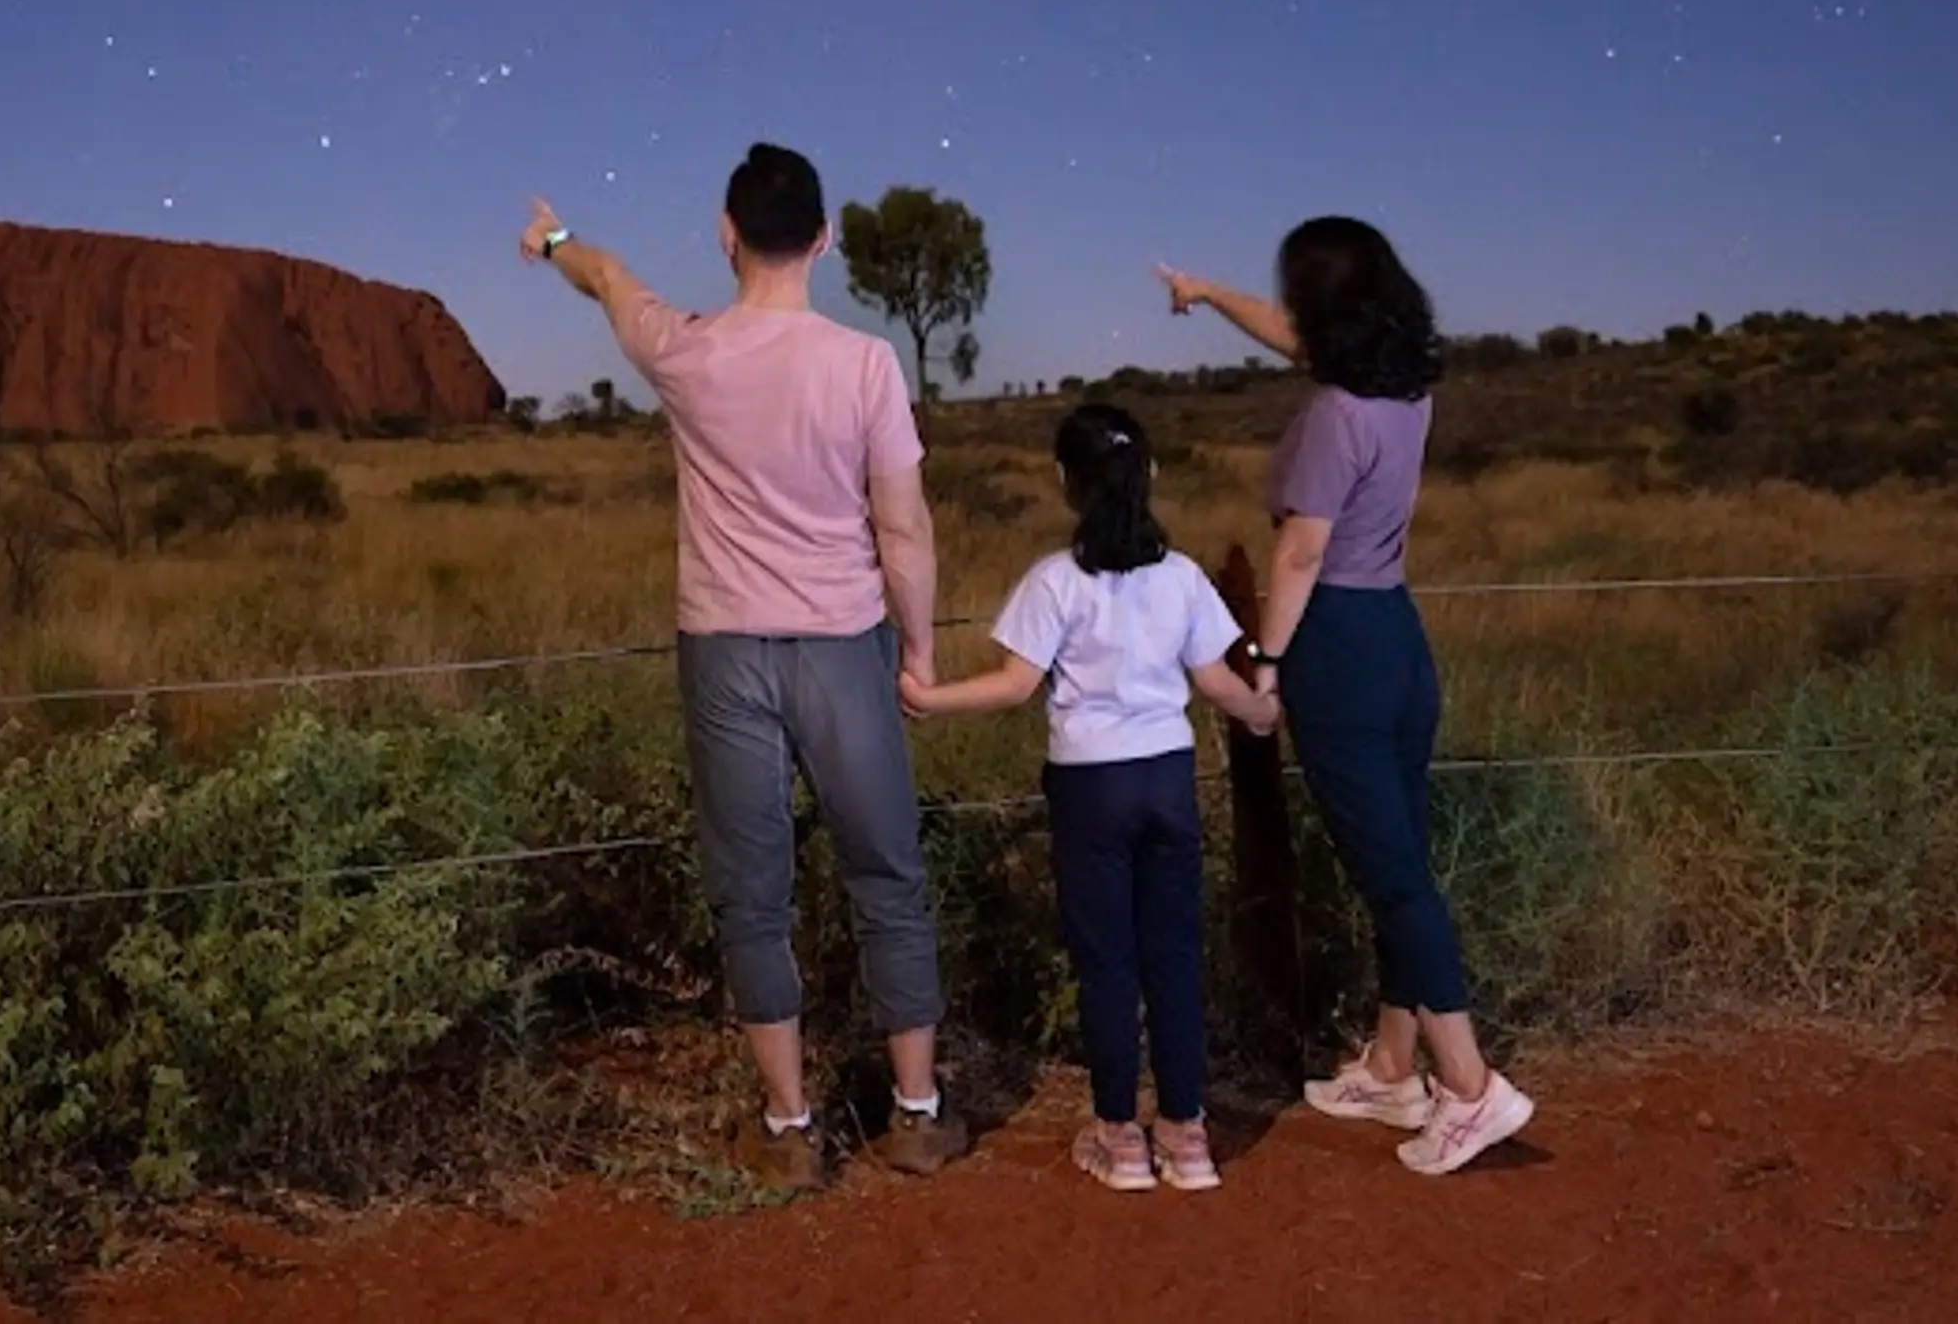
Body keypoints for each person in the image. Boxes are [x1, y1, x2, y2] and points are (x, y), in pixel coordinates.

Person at [520, 145, 961, 1188]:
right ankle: (916, 1113)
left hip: (725, 653)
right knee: (887, 873)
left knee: (752, 894)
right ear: (825, 237)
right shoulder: (865, 366)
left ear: (727, 232)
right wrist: (924, 648)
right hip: (843, 646)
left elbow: (610, 277)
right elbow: (905, 525)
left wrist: (550, 241)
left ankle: (789, 1127)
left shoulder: (685, 350)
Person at [1158, 219, 1536, 1175]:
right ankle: (1391, 1065)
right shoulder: (1404, 383)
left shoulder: (1334, 414)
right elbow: (1288, 334)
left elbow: (1299, 551)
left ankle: (1468, 1085)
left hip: (1335, 643)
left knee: (1392, 877)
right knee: (1401, 857)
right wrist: (1206, 292)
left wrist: (1269, 658)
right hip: (1399, 639)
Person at [902, 402, 1279, 1192]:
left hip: (1090, 786)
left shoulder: (1054, 581)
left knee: (1108, 962)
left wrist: (929, 700)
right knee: (1174, 957)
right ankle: (1186, 1136)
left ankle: (1120, 1137)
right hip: (1166, 779)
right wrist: (1260, 709)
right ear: (1152, 477)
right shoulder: (1180, 578)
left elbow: (1013, 686)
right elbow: (1215, 680)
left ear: (1066, 483)